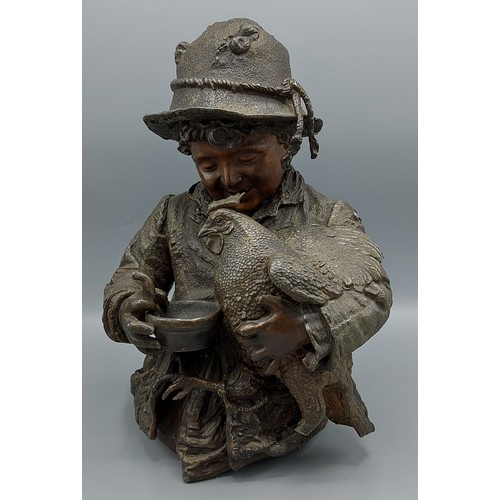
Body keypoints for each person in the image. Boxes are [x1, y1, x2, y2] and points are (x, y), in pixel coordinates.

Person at [102, 18, 392, 483]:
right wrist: (130, 306)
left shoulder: (323, 217)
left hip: (275, 390)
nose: (229, 178)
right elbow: (134, 272)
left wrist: (305, 327)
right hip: (181, 379)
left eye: (248, 159)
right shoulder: (174, 213)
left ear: (287, 145)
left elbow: (372, 295)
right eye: (208, 165)